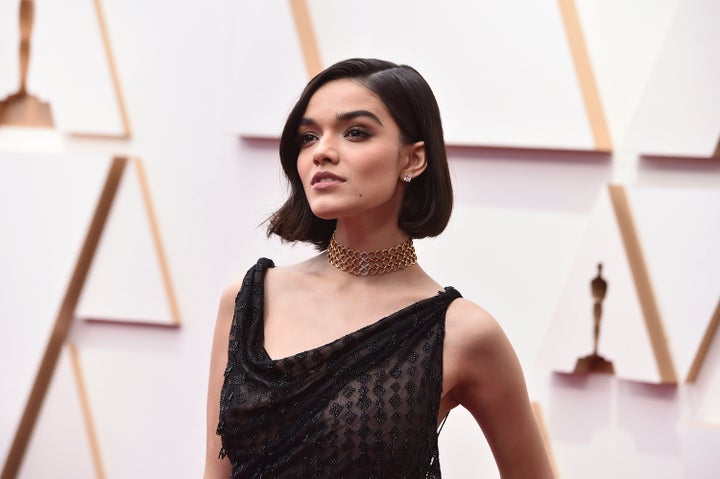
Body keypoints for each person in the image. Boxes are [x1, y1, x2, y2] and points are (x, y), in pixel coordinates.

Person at [204, 58, 554, 478]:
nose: (322, 152)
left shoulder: (463, 333)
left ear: (414, 159)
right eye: (308, 137)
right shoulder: (250, 301)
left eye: (356, 132)